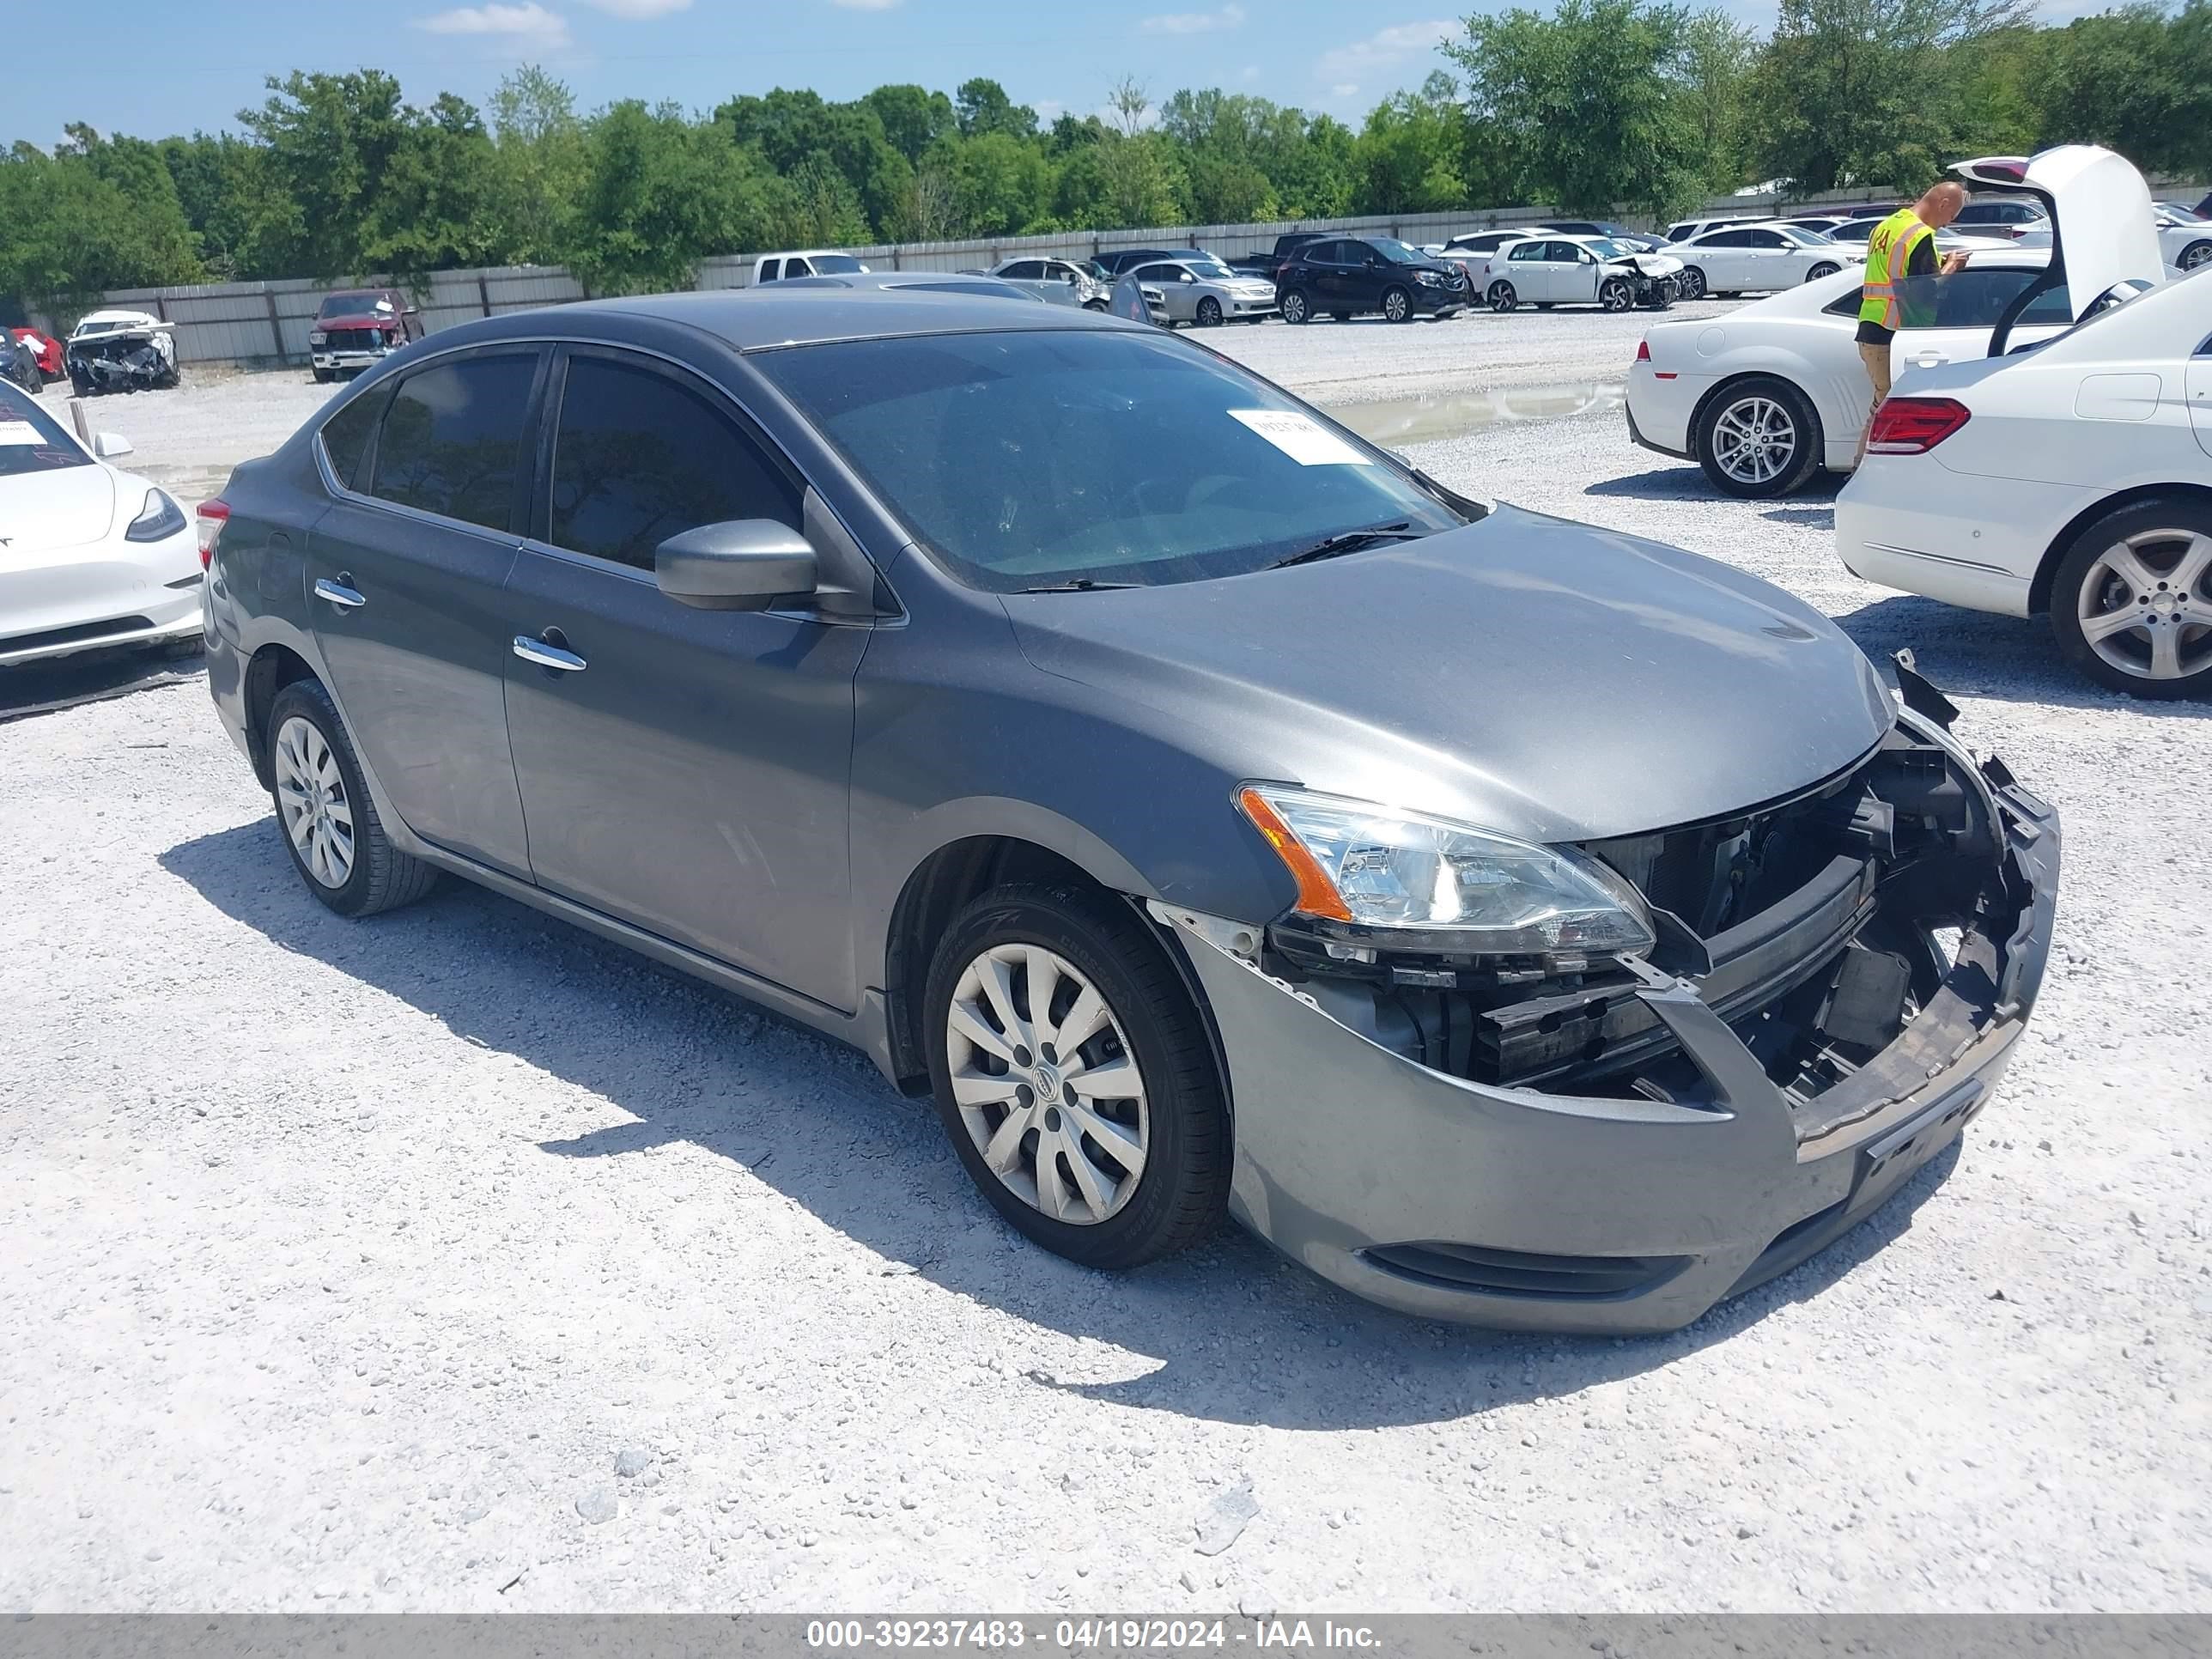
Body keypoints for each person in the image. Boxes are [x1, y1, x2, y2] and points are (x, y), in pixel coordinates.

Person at [1855, 181, 1972, 462]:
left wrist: (1938, 261)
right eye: (1952, 214)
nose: (1950, 222)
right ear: (1943, 203)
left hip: (1872, 324)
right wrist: (1952, 267)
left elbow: (1900, 271)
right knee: (1885, 410)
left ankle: (1864, 473)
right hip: (1893, 330)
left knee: (1884, 406)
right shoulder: (1919, 235)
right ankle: (1859, 473)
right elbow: (1926, 290)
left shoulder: (1889, 225)